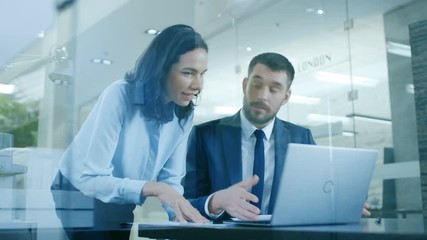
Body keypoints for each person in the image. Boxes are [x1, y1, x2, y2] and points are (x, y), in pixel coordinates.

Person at [51, 24, 208, 240]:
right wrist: (154, 188)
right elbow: (92, 178)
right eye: (188, 73)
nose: (198, 85)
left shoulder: (184, 113)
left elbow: (171, 180)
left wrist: (182, 218)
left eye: (202, 74)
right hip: (78, 189)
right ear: (162, 69)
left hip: (122, 194)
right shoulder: (119, 95)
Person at [183, 52, 370, 221]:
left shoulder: (301, 137)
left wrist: (336, 204)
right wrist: (214, 202)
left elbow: (313, 195)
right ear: (245, 85)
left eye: (274, 90)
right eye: (256, 86)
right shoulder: (205, 136)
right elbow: (183, 205)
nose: (263, 96)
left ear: (286, 97)